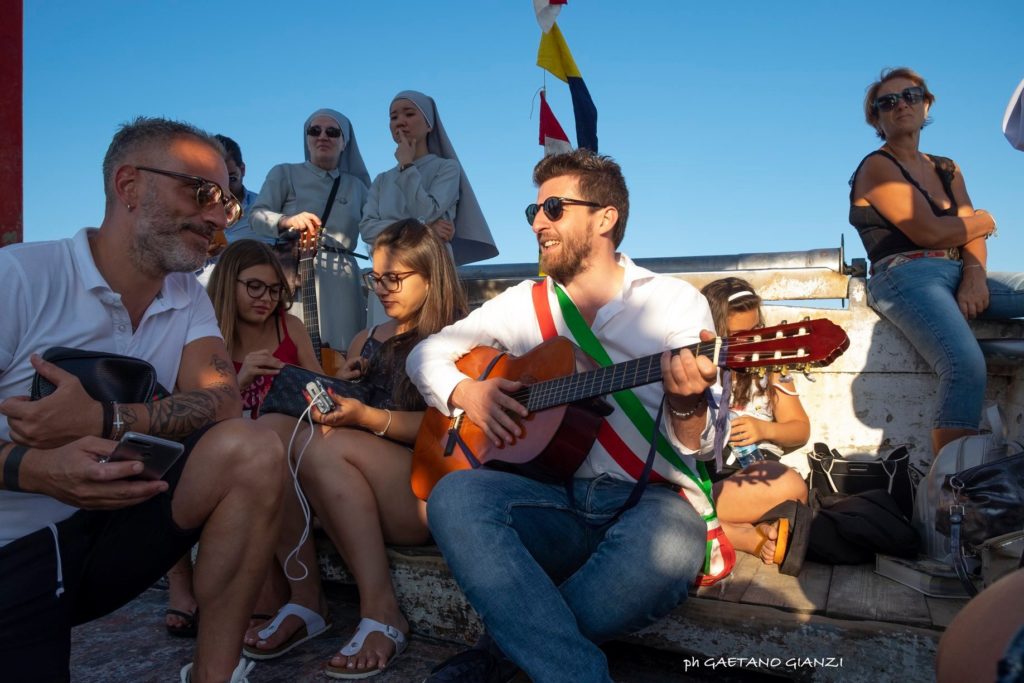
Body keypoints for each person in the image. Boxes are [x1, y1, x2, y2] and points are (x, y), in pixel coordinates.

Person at [407, 150, 725, 683]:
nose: (537, 223)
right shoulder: (525, 303)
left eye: (553, 208)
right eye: (532, 211)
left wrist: (688, 403)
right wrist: (468, 393)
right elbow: (426, 354)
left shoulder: (673, 304)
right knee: (454, 496)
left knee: (674, 547)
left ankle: (505, 659)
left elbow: (703, 447)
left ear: (605, 217)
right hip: (553, 496)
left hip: (646, 501)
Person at [0, 116, 286, 683]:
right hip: (16, 551)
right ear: (129, 187)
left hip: (111, 537)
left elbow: (223, 400)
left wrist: (107, 419)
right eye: (200, 192)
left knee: (253, 448)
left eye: (226, 203)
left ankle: (213, 675)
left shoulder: (187, 298)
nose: (215, 217)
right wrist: (34, 469)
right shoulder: (20, 279)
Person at [243, 219, 468, 679]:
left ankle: (384, 611)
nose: (383, 289)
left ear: (432, 274)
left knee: (322, 445)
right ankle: (305, 600)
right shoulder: (367, 339)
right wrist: (342, 388)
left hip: (422, 489)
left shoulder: (458, 337)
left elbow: (452, 428)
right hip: (353, 476)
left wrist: (364, 417)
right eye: (376, 277)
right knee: (269, 433)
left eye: (396, 278)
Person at [849, 67, 1024, 455]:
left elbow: (969, 233)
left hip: (957, 270)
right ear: (876, 118)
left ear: (926, 104)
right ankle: (950, 487)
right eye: (887, 102)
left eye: (910, 96)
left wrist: (975, 275)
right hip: (904, 276)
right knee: (964, 364)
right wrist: (986, 219)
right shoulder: (877, 167)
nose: (901, 106)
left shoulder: (947, 167)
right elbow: (928, 232)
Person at [164, 239, 324, 637]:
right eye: (254, 286)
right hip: (221, 444)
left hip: (284, 443)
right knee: (174, 464)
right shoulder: (206, 336)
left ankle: (265, 597)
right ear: (228, 283)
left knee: (263, 467)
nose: (266, 299)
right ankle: (182, 588)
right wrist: (239, 380)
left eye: (273, 289)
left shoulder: (291, 327)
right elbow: (190, 413)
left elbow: (320, 386)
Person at [701, 277, 811, 573]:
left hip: (751, 477)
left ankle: (707, 525)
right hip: (703, 477)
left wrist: (764, 430)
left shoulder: (772, 368)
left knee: (791, 484)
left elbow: (800, 429)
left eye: (755, 332)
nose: (748, 342)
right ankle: (742, 535)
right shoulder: (695, 368)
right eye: (736, 335)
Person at [250, 109, 371, 351]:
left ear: (344, 142)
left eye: (332, 132)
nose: (322, 136)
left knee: (345, 348)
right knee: (299, 346)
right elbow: (256, 217)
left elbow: (376, 228)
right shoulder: (284, 172)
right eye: (314, 130)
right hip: (298, 272)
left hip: (343, 277)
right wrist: (287, 220)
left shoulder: (357, 187)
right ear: (306, 138)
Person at [360, 90, 498, 266]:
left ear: (429, 124)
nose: (400, 122)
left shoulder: (447, 168)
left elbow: (426, 211)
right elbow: (367, 230)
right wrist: (424, 229)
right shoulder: (382, 180)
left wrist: (406, 166)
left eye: (409, 114)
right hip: (388, 267)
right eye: (393, 117)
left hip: (431, 264)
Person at [195, 134, 269, 287]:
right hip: (204, 300)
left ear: (242, 169)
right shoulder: (192, 210)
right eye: (216, 180)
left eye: (231, 178)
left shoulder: (266, 208)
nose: (225, 187)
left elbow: (277, 258)